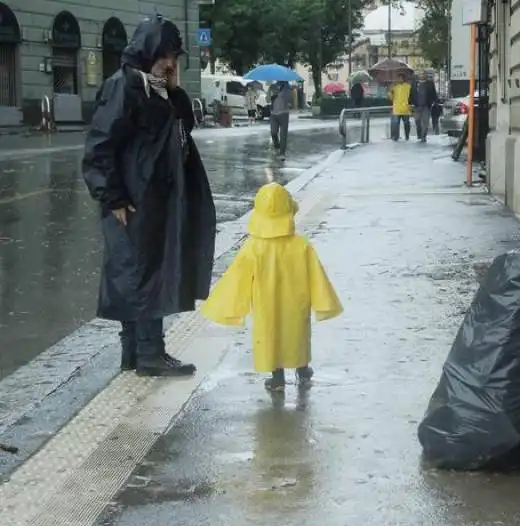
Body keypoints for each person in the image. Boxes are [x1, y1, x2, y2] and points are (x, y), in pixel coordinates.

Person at [83, 15, 217, 377]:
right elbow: (99, 147)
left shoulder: (154, 87)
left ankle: (135, 355)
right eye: (165, 54)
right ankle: (149, 354)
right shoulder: (125, 86)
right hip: (134, 200)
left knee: (138, 272)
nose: (171, 62)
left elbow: (183, 125)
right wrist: (113, 197)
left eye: (175, 55)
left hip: (150, 199)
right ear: (148, 51)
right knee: (144, 274)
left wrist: (173, 90)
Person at [200, 183, 343, 393]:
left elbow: (236, 279)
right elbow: (317, 277)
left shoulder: (253, 247)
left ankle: (277, 379)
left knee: (270, 335)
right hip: (297, 304)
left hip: (265, 305)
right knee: (298, 335)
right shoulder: (301, 245)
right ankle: (302, 370)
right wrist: (324, 302)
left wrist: (227, 306)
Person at [410, 73, 438, 143]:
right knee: (417, 121)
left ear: (426, 76)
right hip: (416, 106)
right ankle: (419, 134)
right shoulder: (414, 84)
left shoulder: (430, 84)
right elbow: (411, 94)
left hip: (426, 106)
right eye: (420, 75)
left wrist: (434, 102)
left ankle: (423, 137)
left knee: (425, 122)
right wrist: (410, 103)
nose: (422, 76)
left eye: (423, 75)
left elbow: (434, 94)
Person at [270, 81, 292, 156]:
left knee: (283, 135)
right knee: (273, 132)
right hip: (273, 114)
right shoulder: (272, 86)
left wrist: (280, 94)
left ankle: (282, 153)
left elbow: (289, 100)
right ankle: (277, 146)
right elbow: (267, 99)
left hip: (284, 114)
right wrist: (271, 93)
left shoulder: (287, 88)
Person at [389, 74, 412, 141]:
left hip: (406, 109)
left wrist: (411, 105)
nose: (400, 79)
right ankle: (396, 137)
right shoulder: (395, 87)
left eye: (401, 78)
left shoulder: (408, 86)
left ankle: (407, 135)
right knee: (396, 123)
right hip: (396, 109)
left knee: (407, 123)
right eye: (398, 78)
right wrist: (390, 92)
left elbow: (412, 96)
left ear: (404, 79)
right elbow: (391, 98)